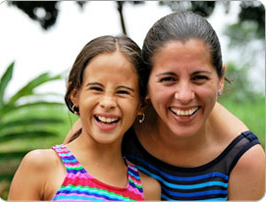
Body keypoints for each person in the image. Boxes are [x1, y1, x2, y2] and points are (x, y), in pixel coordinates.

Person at [65, 11, 265, 201]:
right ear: (146, 84)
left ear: (220, 78)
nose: (185, 96)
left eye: (199, 78)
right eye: (168, 79)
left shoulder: (243, 159)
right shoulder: (116, 120)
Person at [8, 35, 161, 201]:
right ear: (75, 95)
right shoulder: (42, 166)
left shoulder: (147, 191)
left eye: (123, 92)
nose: (108, 102)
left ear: (141, 104)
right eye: (96, 88)